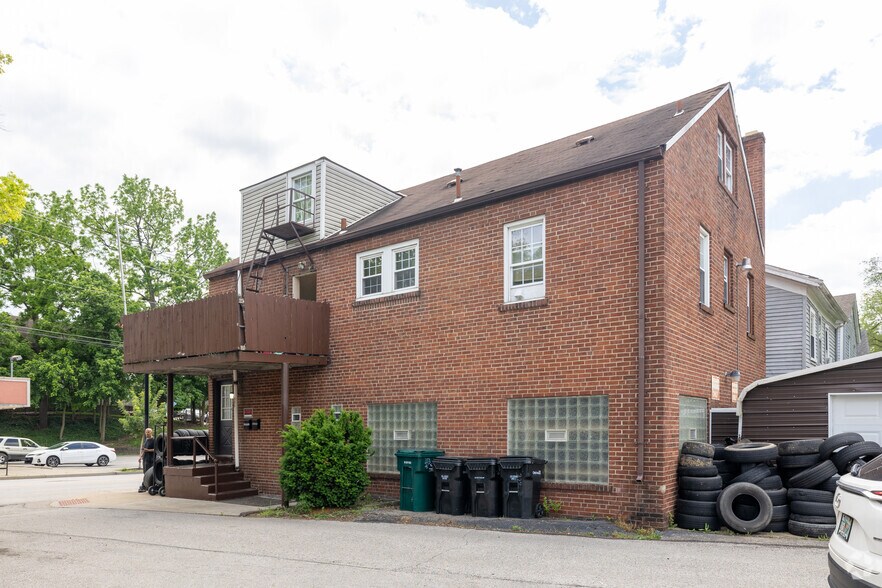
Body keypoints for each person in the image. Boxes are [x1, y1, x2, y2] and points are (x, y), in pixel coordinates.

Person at [137, 428, 155, 493]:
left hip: (151, 459)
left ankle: (145, 485)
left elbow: (155, 449)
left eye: (148, 432)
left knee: (149, 473)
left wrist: (148, 450)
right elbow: (144, 450)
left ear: (151, 433)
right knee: (145, 472)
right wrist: (140, 457)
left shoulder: (154, 440)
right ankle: (145, 485)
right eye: (146, 432)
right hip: (145, 459)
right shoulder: (146, 440)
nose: (147, 433)